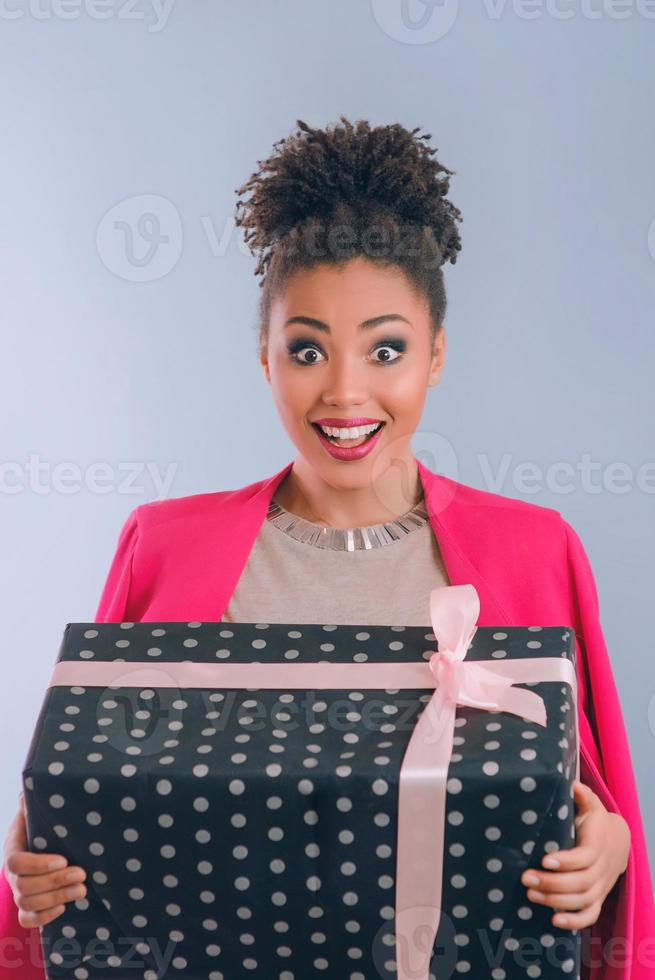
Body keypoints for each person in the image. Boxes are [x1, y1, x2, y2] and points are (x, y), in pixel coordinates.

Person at [1, 117, 652, 979]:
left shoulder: (534, 549)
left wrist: (604, 850)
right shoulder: (162, 545)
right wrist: (38, 852)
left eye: (386, 348)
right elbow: (93, 787)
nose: (345, 391)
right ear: (265, 359)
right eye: (306, 348)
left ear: (436, 356)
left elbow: (594, 815)